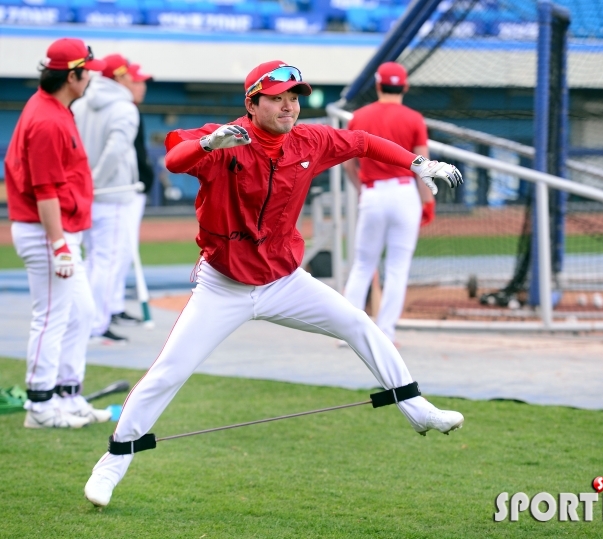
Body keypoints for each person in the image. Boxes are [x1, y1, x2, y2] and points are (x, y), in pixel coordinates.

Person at [84, 60, 464, 507]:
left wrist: (417, 164)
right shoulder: (224, 139)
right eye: (277, 97)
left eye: (294, 97)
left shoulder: (310, 139)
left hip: (284, 281)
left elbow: (362, 141)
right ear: (252, 102)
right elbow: (173, 160)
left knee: (359, 323)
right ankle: (111, 464)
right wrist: (208, 144)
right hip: (223, 286)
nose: (289, 106)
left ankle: (416, 407)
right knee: (169, 372)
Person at [4, 38, 112, 428]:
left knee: (81, 312)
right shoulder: (48, 118)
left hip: (60, 231)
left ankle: (67, 395)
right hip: (48, 232)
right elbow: (45, 191)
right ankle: (40, 406)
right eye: (87, 72)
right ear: (72, 75)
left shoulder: (54, 109)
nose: (90, 79)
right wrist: (59, 245)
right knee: (50, 318)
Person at [342, 62, 435, 344]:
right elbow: (423, 166)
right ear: (404, 86)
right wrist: (427, 201)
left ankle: (346, 332)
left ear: (378, 85)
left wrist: (362, 188)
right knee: (397, 267)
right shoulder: (414, 118)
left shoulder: (358, 116)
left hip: (372, 193)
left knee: (362, 264)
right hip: (405, 194)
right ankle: (386, 332)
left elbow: (347, 163)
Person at [72, 54, 142, 344]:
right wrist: (95, 182)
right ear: (121, 78)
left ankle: (85, 321)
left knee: (92, 262)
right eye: (131, 76)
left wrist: (84, 184)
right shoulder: (124, 108)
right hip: (111, 195)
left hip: (89, 194)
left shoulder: (79, 104)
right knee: (107, 262)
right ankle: (95, 325)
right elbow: (114, 151)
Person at [109, 63, 154, 327]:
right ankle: (106, 313)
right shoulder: (121, 110)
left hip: (130, 189)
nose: (142, 87)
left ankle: (113, 305)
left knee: (122, 253)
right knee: (112, 254)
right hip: (121, 190)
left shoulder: (130, 109)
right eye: (136, 81)